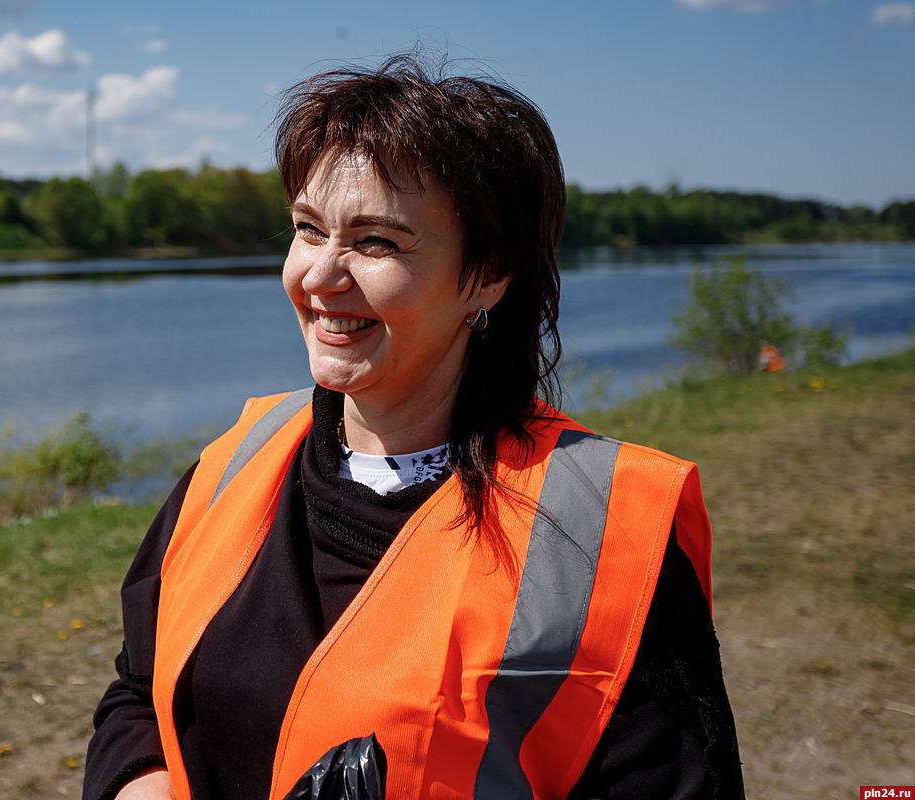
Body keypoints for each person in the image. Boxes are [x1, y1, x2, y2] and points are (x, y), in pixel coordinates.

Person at [84, 53, 745, 800]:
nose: (321, 276)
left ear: (488, 274)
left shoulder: (603, 535)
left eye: (377, 243)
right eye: (308, 229)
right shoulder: (234, 463)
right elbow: (138, 695)